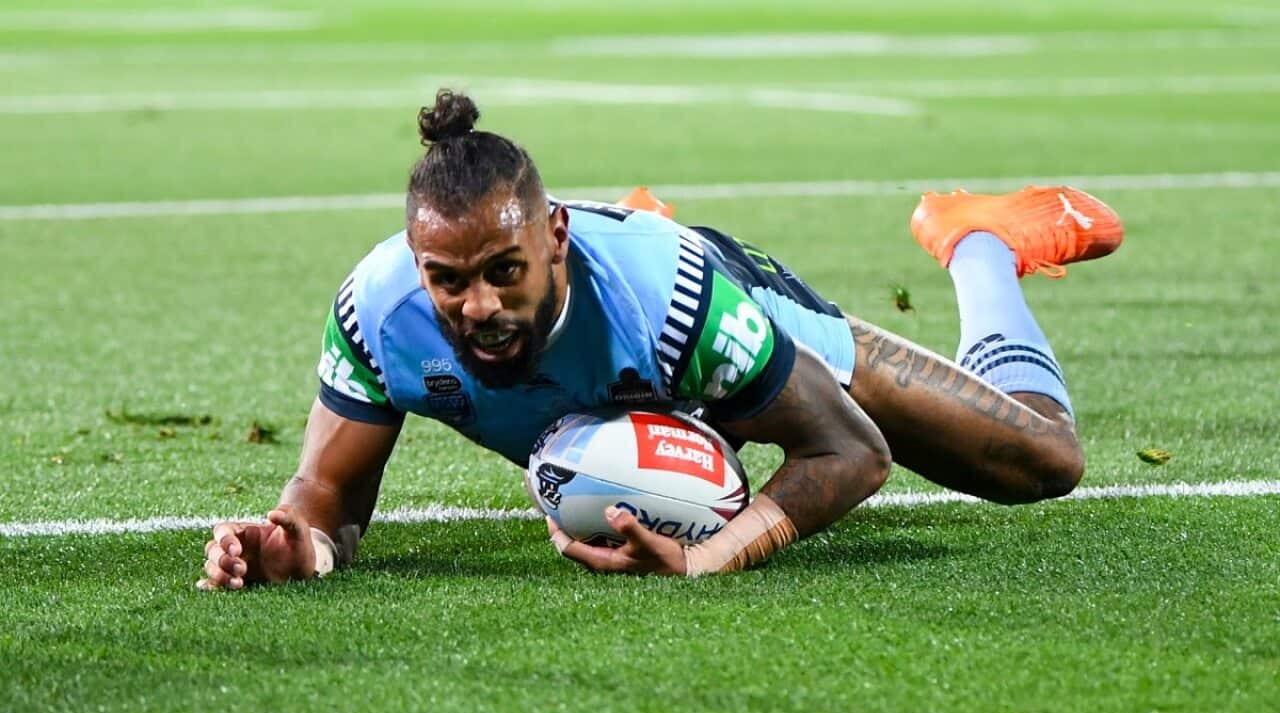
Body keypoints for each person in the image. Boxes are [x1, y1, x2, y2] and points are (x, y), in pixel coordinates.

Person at [198, 89, 1123, 588]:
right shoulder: (377, 313)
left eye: (503, 272)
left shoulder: (682, 302)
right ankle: (632, 263)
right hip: (634, 338)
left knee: (1042, 460)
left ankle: (981, 244)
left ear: (553, 238)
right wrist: (291, 546)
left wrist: (713, 553)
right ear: (416, 261)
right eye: (448, 279)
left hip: (699, 306)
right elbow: (326, 494)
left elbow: (850, 452)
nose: (475, 305)